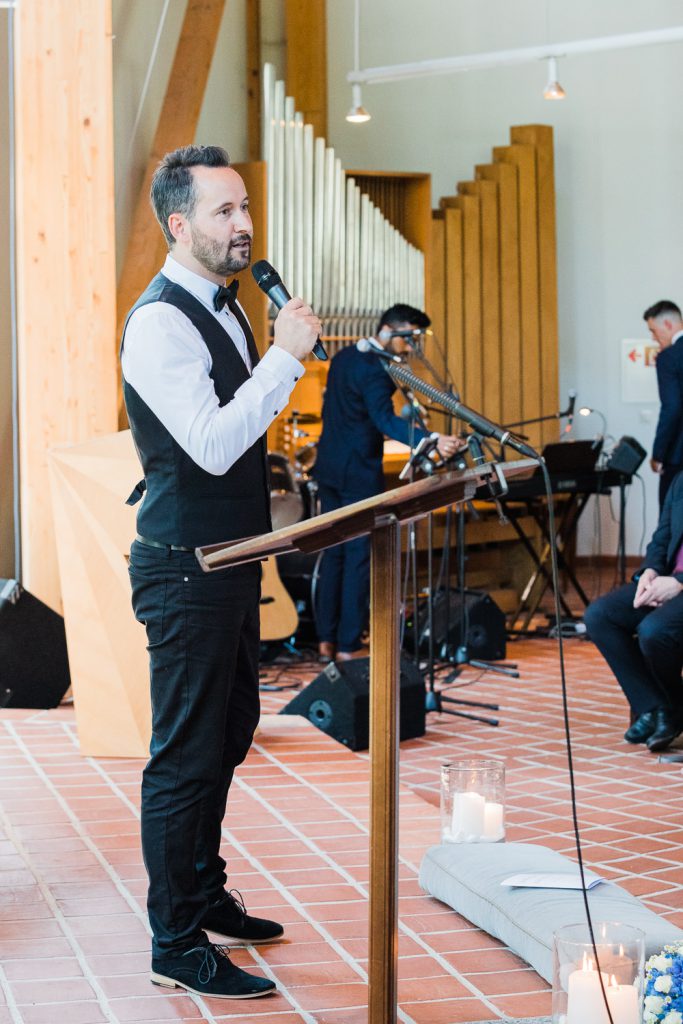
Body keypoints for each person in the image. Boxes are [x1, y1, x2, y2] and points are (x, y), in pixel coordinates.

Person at [120, 145, 320, 999]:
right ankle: (175, 940)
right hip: (184, 568)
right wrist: (285, 360)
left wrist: (273, 358)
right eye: (223, 212)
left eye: (244, 208)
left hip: (234, 565)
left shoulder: (228, 310)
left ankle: (203, 893)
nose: (243, 226)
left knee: (228, 737)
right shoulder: (160, 321)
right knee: (185, 757)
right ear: (179, 224)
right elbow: (207, 444)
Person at [312, 306, 463, 662]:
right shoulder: (376, 370)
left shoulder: (345, 356)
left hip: (329, 466)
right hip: (357, 472)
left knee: (333, 554)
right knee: (358, 557)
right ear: (387, 330)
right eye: (408, 338)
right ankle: (349, 646)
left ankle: (326, 642)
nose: (410, 348)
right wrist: (431, 440)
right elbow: (384, 419)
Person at [584, 470, 683, 752]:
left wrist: (677, 583)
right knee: (600, 616)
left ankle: (671, 709)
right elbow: (662, 537)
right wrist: (649, 572)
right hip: (666, 580)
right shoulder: (680, 481)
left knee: (654, 631)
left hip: (678, 585)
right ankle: (655, 707)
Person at [643, 299, 683, 508]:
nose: (653, 338)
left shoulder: (670, 357)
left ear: (667, 324)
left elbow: (672, 408)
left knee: (671, 528)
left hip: (678, 457)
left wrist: (659, 454)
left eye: (654, 330)